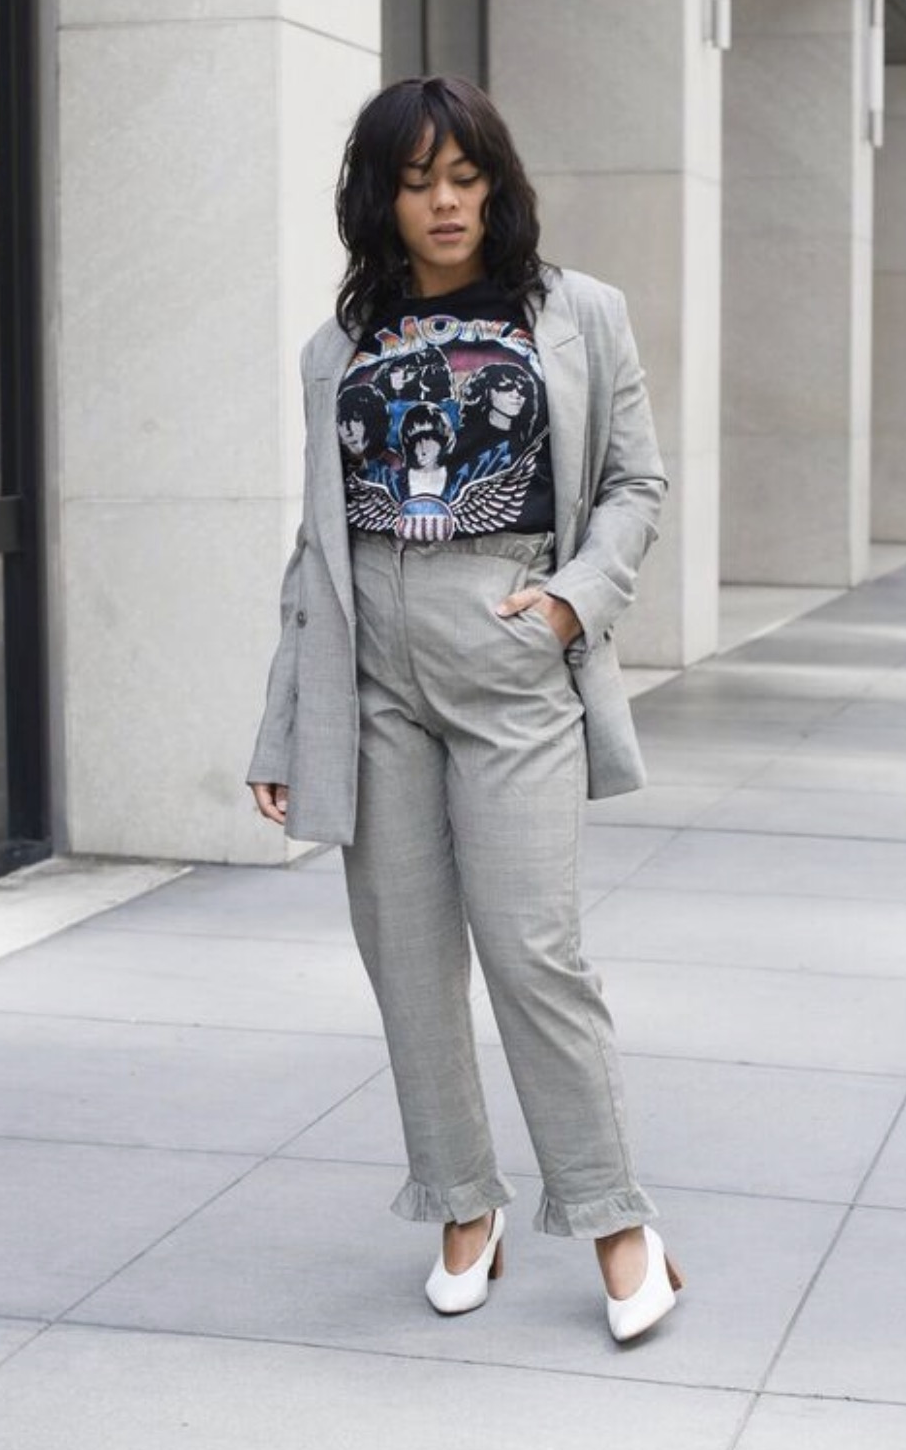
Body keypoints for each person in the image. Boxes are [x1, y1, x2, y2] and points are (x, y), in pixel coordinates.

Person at [247, 75, 682, 1344]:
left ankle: (614, 1218)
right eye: (416, 182)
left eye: (464, 177)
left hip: (507, 656)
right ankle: (461, 1203)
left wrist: (570, 605)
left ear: (496, 184)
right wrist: (283, 720)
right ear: (379, 200)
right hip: (370, 675)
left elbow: (635, 483)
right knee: (406, 958)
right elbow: (316, 546)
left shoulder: (578, 315)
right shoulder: (338, 347)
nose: (444, 202)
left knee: (534, 951)